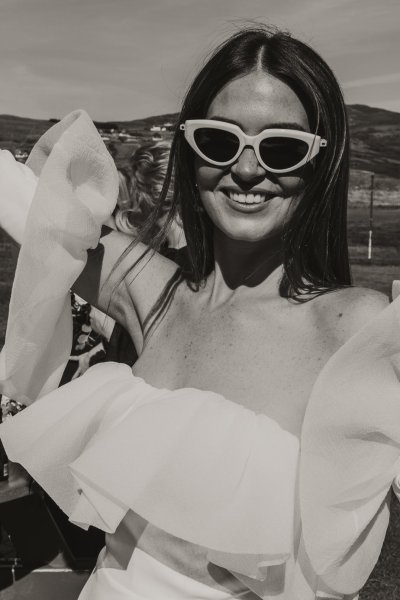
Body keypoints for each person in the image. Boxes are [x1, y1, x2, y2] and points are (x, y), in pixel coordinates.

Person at [0, 25, 399, 600]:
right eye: (219, 141)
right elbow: (28, 201)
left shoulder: (359, 327)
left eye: (281, 148)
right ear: (190, 150)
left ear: (321, 165)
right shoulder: (151, 292)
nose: (245, 170)